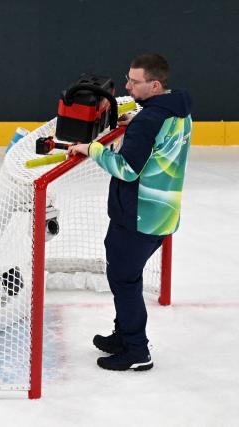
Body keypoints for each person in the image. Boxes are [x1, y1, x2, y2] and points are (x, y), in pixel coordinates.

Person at [67, 53, 192, 371]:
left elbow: (126, 170)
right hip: (162, 214)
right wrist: (137, 122)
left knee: (124, 280)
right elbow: (157, 133)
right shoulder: (177, 108)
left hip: (138, 216)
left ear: (155, 84)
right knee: (124, 277)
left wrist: (92, 148)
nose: (127, 86)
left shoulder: (149, 121)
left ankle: (136, 350)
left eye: (134, 82)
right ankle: (123, 335)